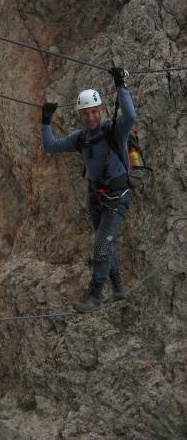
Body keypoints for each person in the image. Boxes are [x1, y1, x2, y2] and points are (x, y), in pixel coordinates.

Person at [41, 68, 136, 313]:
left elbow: (131, 116)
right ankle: (118, 287)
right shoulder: (80, 138)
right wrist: (45, 121)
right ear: (81, 115)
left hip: (117, 196)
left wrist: (121, 85)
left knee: (101, 245)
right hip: (95, 197)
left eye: (94, 112)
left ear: (101, 110)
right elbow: (51, 146)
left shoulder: (115, 130)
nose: (91, 117)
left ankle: (94, 295)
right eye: (86, 113)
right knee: (106, 241)